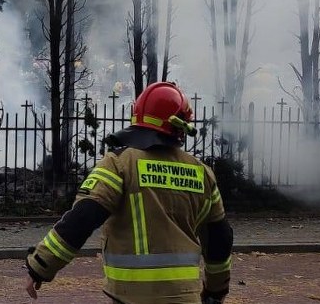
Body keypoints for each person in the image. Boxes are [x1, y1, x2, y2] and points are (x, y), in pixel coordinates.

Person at [24, 81, 233, 304]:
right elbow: (219, 238)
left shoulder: (120, 163)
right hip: (186, 296)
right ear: (180, 127)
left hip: (131, 297)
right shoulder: (202, 173)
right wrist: (215, 292)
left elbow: (83, 217)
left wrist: (40, 266)